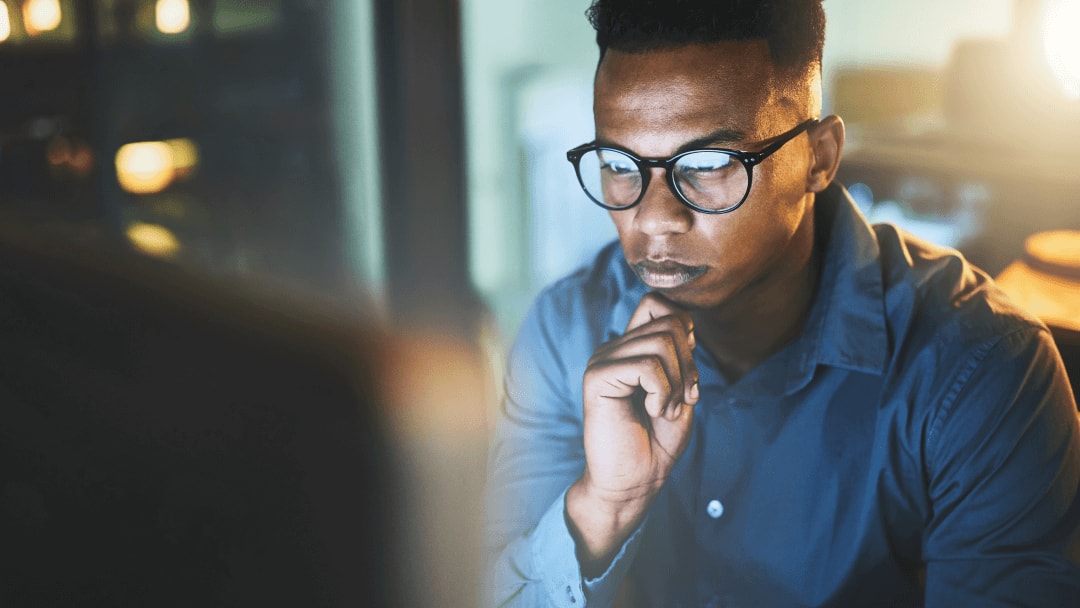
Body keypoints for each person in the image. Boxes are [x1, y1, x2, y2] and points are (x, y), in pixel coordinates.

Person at [483, 0, 1080, 606]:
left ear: (818, 158)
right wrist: (606, 506)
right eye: (618, 163)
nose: (654, 218)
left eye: (709, 163)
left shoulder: (983, 371)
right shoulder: (565, 334)